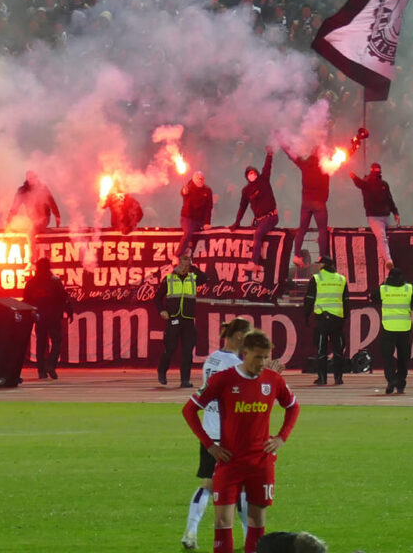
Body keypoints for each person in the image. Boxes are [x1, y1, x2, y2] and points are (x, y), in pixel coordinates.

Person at [181, 328, 301, 553]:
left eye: (266, 357)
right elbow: (189, 410)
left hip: (261, 463)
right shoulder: (223, 379)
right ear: (244, 353)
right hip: (230, 462)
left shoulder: (273, 380)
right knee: (222, 522)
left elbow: (293, 407)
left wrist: (281, 438)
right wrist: (209, 445)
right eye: (258, 357)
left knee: (256, 522)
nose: (263, 362)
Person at [183, 318, 253, 550]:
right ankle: (250, 538)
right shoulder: (233, 364)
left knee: (208, 484)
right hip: (229, 435)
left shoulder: (212, 359)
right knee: (243, 488)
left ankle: (190, 532)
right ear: (240, 336)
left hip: (210, 430)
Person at [157, 252, 210, 388]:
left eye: (187, 264)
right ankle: (162, 371)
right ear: (178, 264)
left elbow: (206, 278)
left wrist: (193, 267)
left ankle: (185, 380)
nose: (185, 267)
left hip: (188, 319)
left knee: (188, 351)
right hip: (174, 318)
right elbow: (157, 298)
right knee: (170, 348)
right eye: (183, 264)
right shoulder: (169, 279)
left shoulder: (193, 278)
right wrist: (162, 310)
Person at [374, 262, 413, 395]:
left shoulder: (383, 289)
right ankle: (401, 383)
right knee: (403, 358)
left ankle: (391, 379)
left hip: (388, 328)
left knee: (387, 356)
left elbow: (373, 298)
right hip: (404, 328)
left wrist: (383, 283)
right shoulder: (409, 289)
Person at [282, 144, 333, 263]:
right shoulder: (325, 166)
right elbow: (343, 158)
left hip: (306, 203)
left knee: (302, 229)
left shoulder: (305, 164)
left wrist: (282, 142)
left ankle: (297, 255)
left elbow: (292, 155)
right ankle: (322, 256)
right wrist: (355, 145)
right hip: (319, 203)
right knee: (322, 230)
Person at [303, 254, 348, 386]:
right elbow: (346, 301)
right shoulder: (341, 279)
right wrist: (345, 317)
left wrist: (306, 315)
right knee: (338, 349)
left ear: (323, 265)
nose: (318, 266)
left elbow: (309, 298)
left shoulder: (317, 278)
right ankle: (338, 378)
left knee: (321, 349)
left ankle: (322, 378)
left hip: (322, 319)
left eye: (319, 264)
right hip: (337, 319)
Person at [234, 149, 280, 277]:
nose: (251, 175)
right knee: (254, 236)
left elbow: (267, 167)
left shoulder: (263, 180)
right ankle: (258, 263)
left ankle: (254, 262)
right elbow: (242, 207)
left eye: (253, 172)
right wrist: (237, 222)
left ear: (257, 173)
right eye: (249, 173)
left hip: (271, 216)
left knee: (258, 234)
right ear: (246, 176)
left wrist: (269, 155)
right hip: (259, 219)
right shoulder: (246, 190)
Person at [23, 256, 69, 380]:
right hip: (53, 317)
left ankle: (41, 371)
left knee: (41, 344)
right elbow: (64, 298)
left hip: (39, 317)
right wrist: (68, 311)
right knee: (57, 342)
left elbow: (26, 301)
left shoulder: (31, 283)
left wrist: (27, 316)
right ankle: (51, 365)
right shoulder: (55, 281)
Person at [349, 162, 400, 270]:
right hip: (374, 217)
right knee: (382, 237)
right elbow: (360, 183)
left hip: (386, 215)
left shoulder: (384, 185)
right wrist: (354, 177)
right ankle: (388, 260)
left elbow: (389, 199)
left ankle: (386, 261)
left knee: (385, 238)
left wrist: (395, 212)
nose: (377, 174)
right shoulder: (367, 183)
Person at [6, 170, 61, 237]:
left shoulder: (43, 188)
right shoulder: (22, 191)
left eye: (33, 178)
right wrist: (9, 220)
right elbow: (15, 207)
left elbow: (52, 203)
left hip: (44, 218)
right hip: (31, 219)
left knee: (31, 232)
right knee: (20, 228)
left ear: (36, 177)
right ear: (27, 179)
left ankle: (32, 247)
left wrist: (57, 216)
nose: (32, 180)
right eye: (30, 178)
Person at [180, 172, 215, 259]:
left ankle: (193, 257)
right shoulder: (188, 188)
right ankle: (177, 255)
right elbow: (184, 192)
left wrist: (207, 222)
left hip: (200, 220)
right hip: (187, 218)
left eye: (202, 178)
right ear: (193, 179)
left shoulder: (207, 190)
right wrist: (184, 192)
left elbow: (209, 207)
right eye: (198, 178)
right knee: (188, 232)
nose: (200, 180)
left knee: (199, 236)